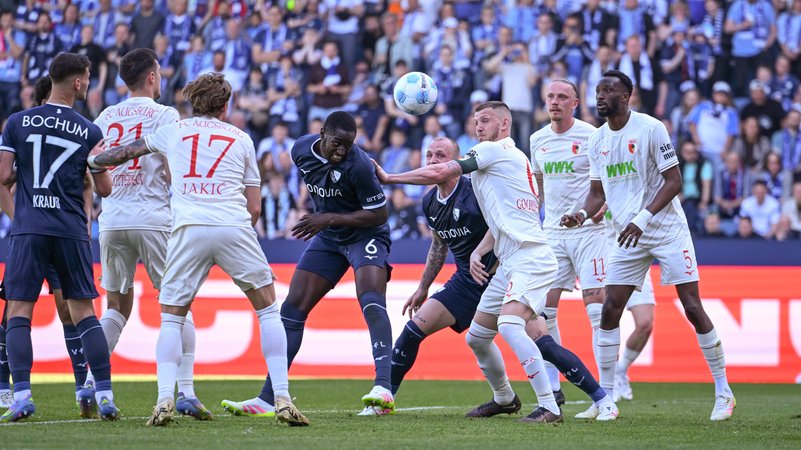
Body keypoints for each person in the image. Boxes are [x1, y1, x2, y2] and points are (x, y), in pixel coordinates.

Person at [87, 73, 308, 427]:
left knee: (172, 316)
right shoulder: (242, 139)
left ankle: (163, 400)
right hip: (233, 225)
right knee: (267, 309)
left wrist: (95, 160)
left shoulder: (173, 131)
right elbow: (254, 207)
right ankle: (281, 396)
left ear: (192, 103)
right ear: (225, 106)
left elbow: (122, 154)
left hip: (188, 229)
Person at [373, 101, 609, 423]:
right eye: (475, 121)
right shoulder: (500, 164)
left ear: (505, 124)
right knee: (478, 337)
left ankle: (551, 406)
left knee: (515, 328)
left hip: (530, 256)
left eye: (485, 120)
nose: (478, 127)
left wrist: (390, 177)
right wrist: (477, 251)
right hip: (508, 260)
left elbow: (444, 172)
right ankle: (505, 398)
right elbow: (503, 220)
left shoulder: (493, 152)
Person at [561, 70, 735, 421]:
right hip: (628, 235)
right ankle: (606, 398)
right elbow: (597, 193)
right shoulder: (597, 141)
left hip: (665, 228)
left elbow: (674, 182)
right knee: (610, 308)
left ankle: (723, 391)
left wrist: (642, 218)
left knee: (691, 306)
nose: (601, 96)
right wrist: (581, 213)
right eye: (598, 91)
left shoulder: (651, 128)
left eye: (609, 90)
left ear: (628, 96)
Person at [220, 111, 395, 417]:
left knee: (370, 299)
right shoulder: (300, 149)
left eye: (349, 145)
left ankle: (383, 389)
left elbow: (379, 214)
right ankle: (267, 397)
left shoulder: (360, 165)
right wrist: (325, 218)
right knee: (291, 310)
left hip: (365, 235)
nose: (342, 150)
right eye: (337, 143)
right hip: (328, 237)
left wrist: (328, 216)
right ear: (322, 133)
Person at [89, 48, 211, 420]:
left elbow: (95, 170)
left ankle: (92, 387)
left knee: (116, 308)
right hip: (154, 217)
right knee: (177, 305)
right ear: (152, 77)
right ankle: (186, 391)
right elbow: (174, 173)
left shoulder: (105, 117)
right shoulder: (165, 115)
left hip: (111, 221)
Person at [0, 53, 118, 422]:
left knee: (19, 312)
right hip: (70, 230)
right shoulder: (89, 130)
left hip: (30, 227)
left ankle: (20, 395)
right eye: (86, 77)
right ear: (79, 82)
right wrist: (100, 166)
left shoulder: (16, 123)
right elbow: (105, 189)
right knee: (84, 313)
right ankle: (104, 395)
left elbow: (4, 176)